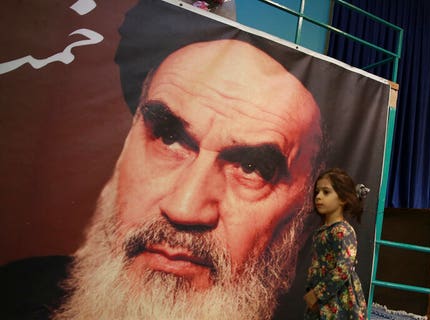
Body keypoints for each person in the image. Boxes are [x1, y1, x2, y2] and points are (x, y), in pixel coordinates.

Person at [1, 38, 324, 319]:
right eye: (169, 138)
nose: (183, 208)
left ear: (298, 229)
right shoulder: (15, 293)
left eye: (253, 168)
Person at [304, 168, 368, 320]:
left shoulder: (343, 230)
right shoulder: (323, 231)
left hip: (340, 301)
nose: (318, 197)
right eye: (317, 192)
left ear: (343, 199)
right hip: (322, 301)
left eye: (326, 192)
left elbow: (343, 268)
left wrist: (317, 294)